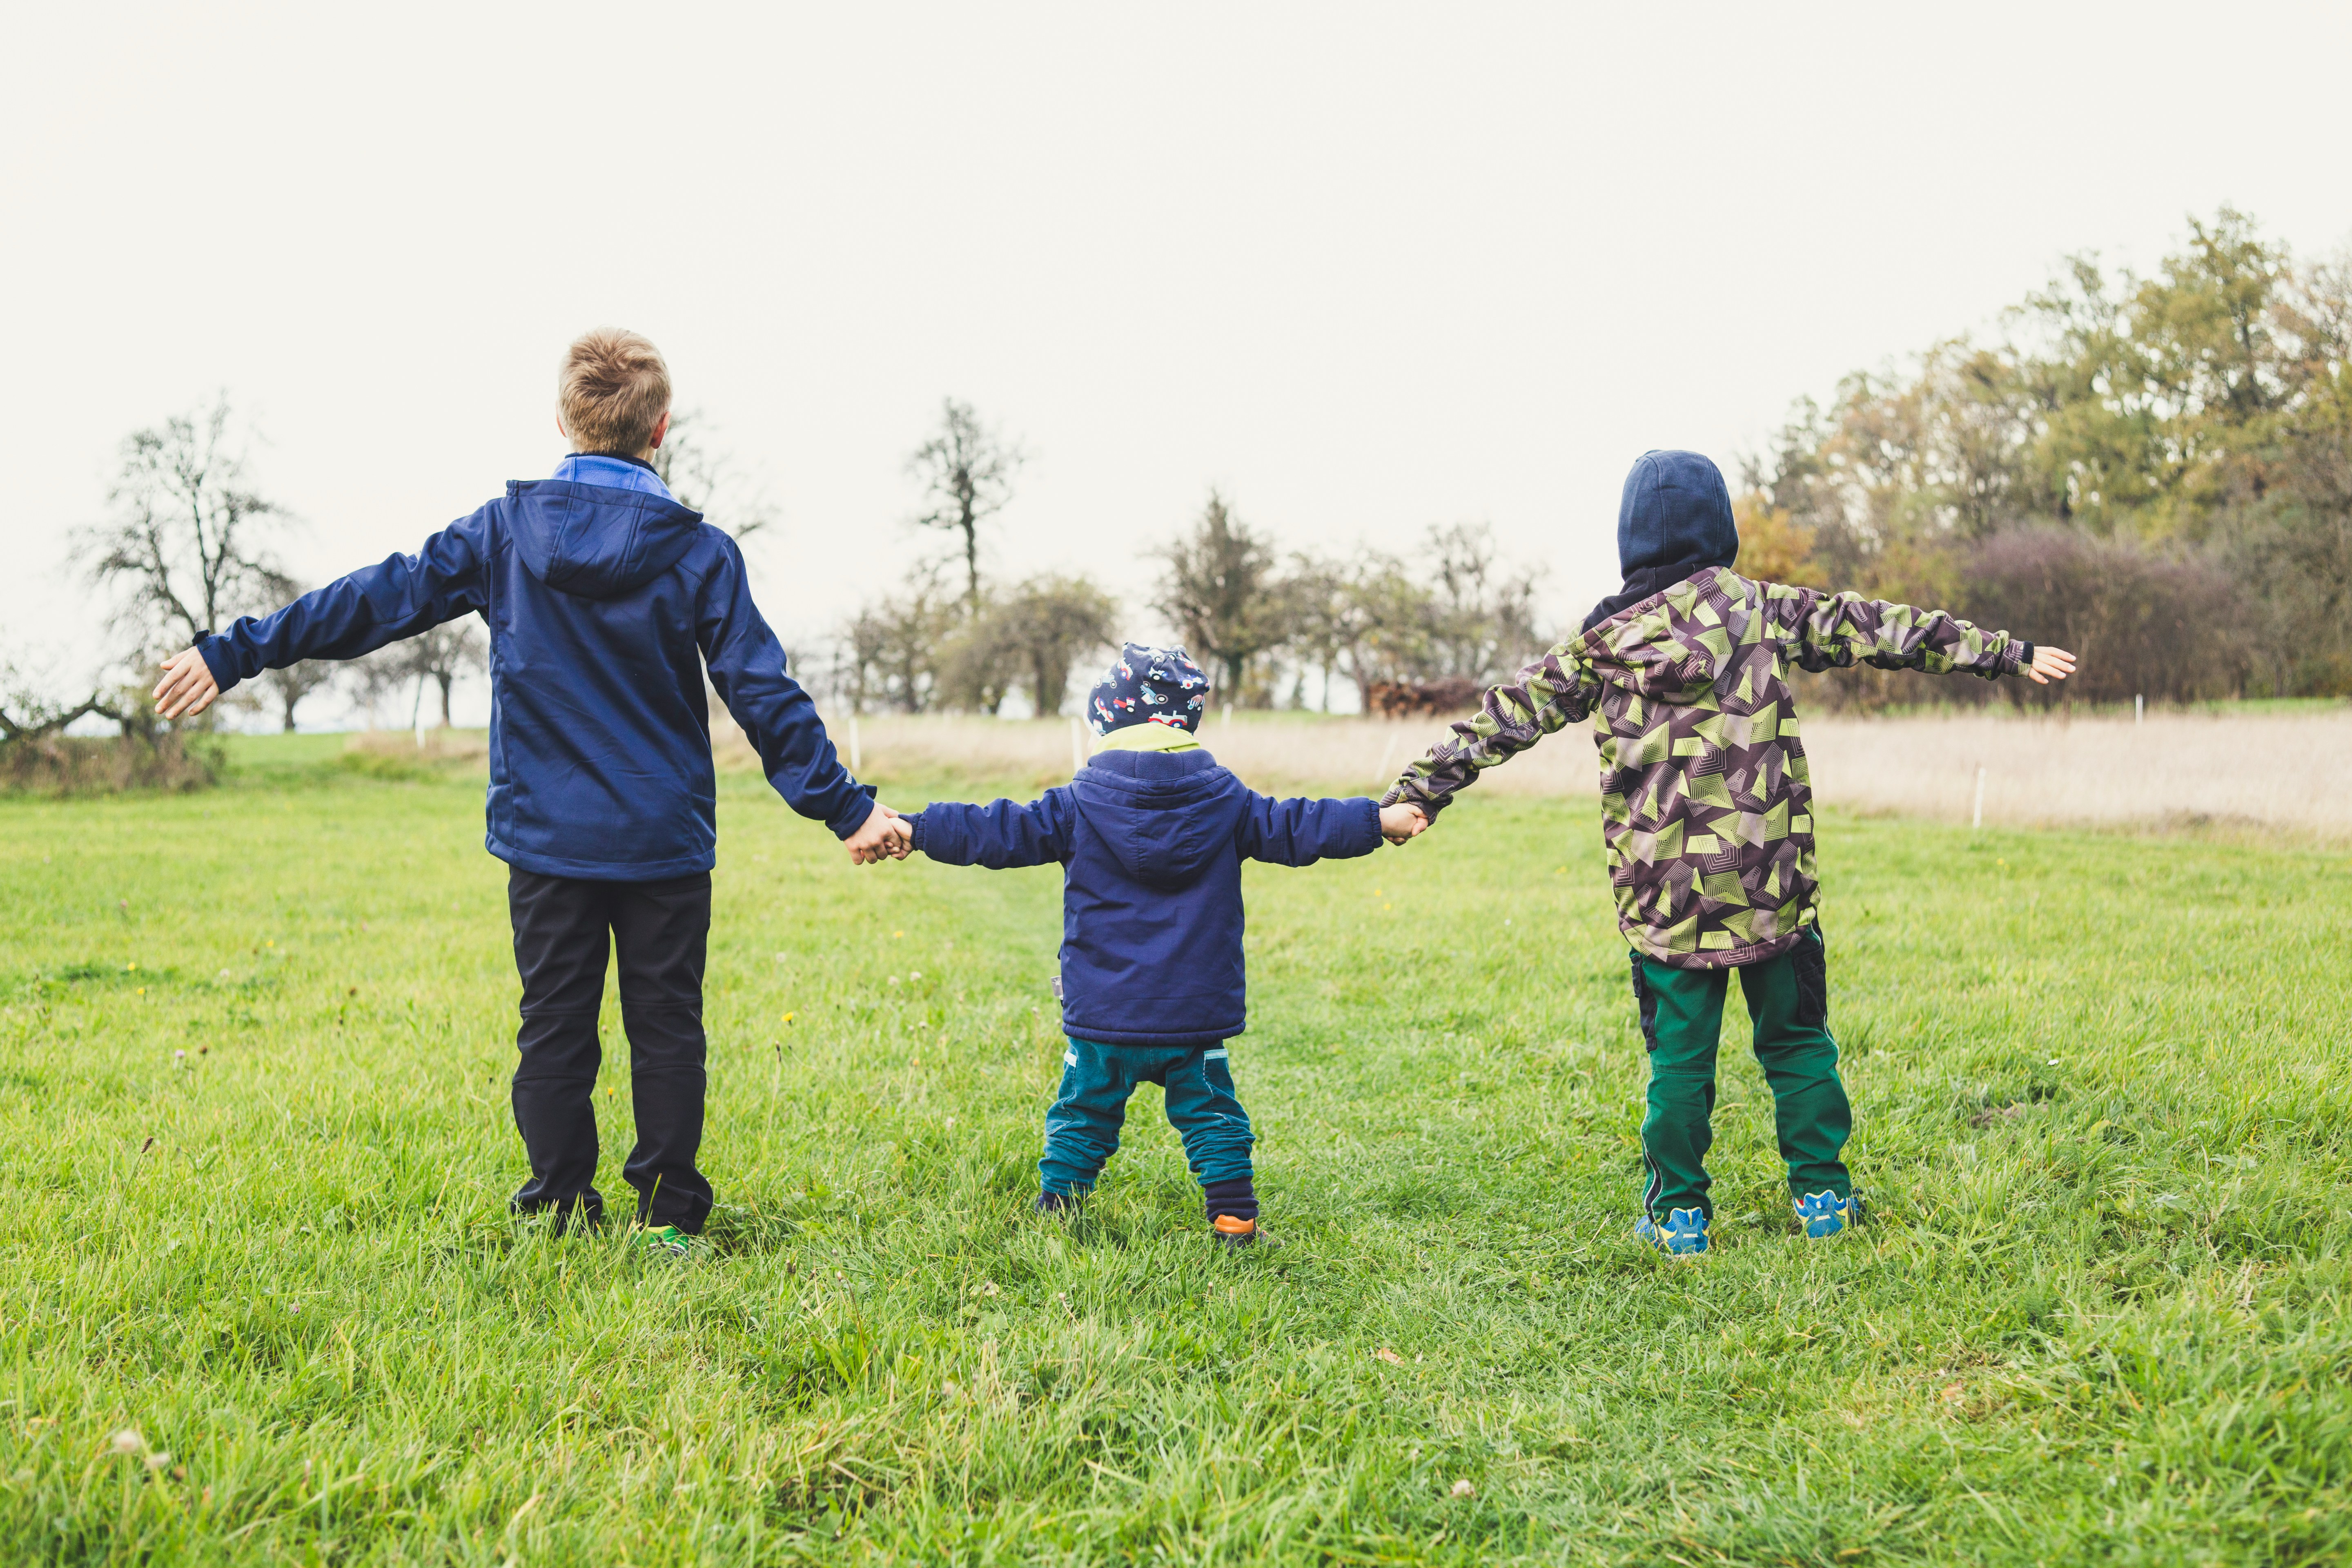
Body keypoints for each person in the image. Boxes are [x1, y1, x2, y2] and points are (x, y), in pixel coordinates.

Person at [150, 327, 913, 1254]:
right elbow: (762, 692)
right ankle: (669, 1218)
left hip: (548, 838)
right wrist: (847, 808)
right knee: (666, 1025)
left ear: (562, 419)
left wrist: (234, 652)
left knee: (553, 1028)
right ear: (661, 428)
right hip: (662, 839)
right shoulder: (702, 552)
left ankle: (557, 1207)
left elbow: (374, 600)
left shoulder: (504, 535)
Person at [1381, 450, 2075, 1256]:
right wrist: (2007, 653)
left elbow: (1504, 716)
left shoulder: (1601, 645)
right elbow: (1879, 627)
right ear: (1722, 530)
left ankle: (1679, 1216)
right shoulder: (1759, 610)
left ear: (1631, 540)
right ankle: (1822, 1199)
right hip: (1770, 883)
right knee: (1797, 1043)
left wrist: (1421, 791)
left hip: (1667, 900)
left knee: (1679, 1063)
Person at [899, 644, 1426, 1245]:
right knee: (1211, 1115)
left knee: (1083, 1112)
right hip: (1194, 1013)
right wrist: (1377, 821)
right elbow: (1299, 825)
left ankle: (1059, 1211)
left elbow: (995, 830)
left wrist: (917, 828)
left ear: (1107, 721)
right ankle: (1233, 1217)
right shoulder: (1230, 803)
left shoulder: (1076, 804)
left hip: (1105, 1013)